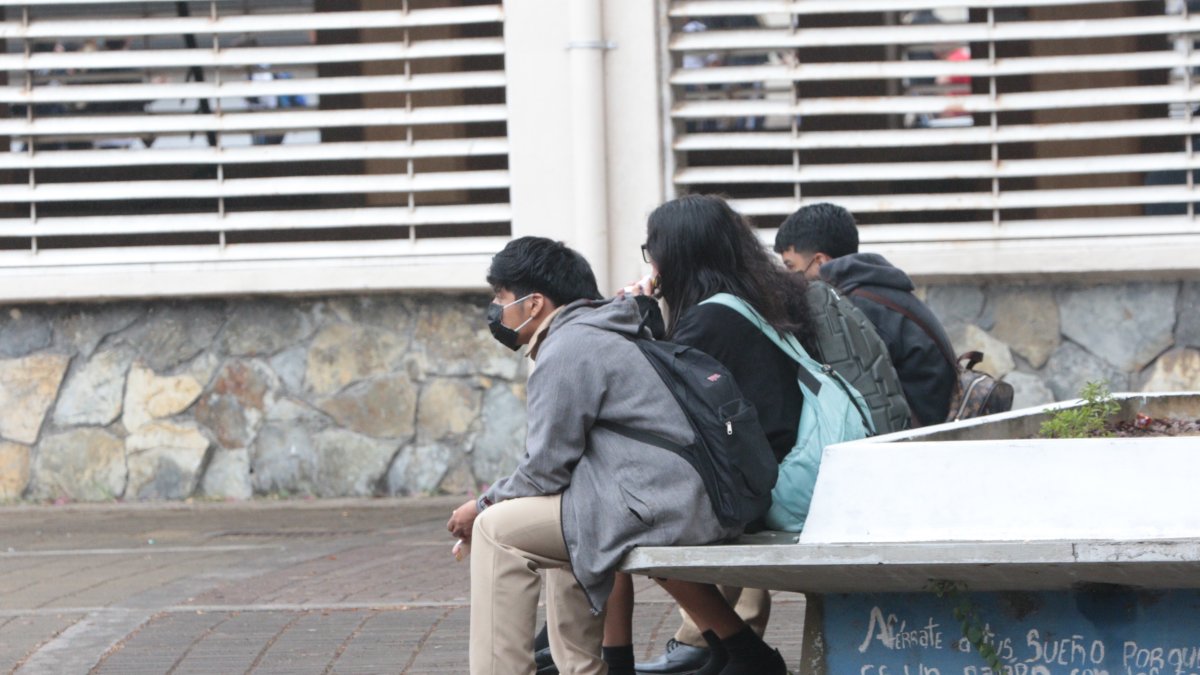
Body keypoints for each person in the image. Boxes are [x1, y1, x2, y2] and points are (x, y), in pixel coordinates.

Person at [448, 236, 742, 675]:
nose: (496, 310)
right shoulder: (599, 330)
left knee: (496, 530)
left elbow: (544, 469)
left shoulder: (569, 348)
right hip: (669, 495)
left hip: (656, 505)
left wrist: (482, 505)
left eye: (501, 298)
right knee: (564, 518)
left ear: (533, 304)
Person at [616, 194, 813, 675]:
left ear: (677, 255)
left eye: (653, 250)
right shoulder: (757, 300)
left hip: (764, 489)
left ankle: (729, 648)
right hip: (777, 469)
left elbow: (654, 398)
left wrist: (639, 313)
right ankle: (725, 647)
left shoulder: (709, 318)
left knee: (622, 516)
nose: (653, 262)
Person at [774, 202, 957, 427]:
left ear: (820, 262)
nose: (788, 278)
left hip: (919, 441)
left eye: (791, 267)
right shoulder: (878, 288)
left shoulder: (852, 308)